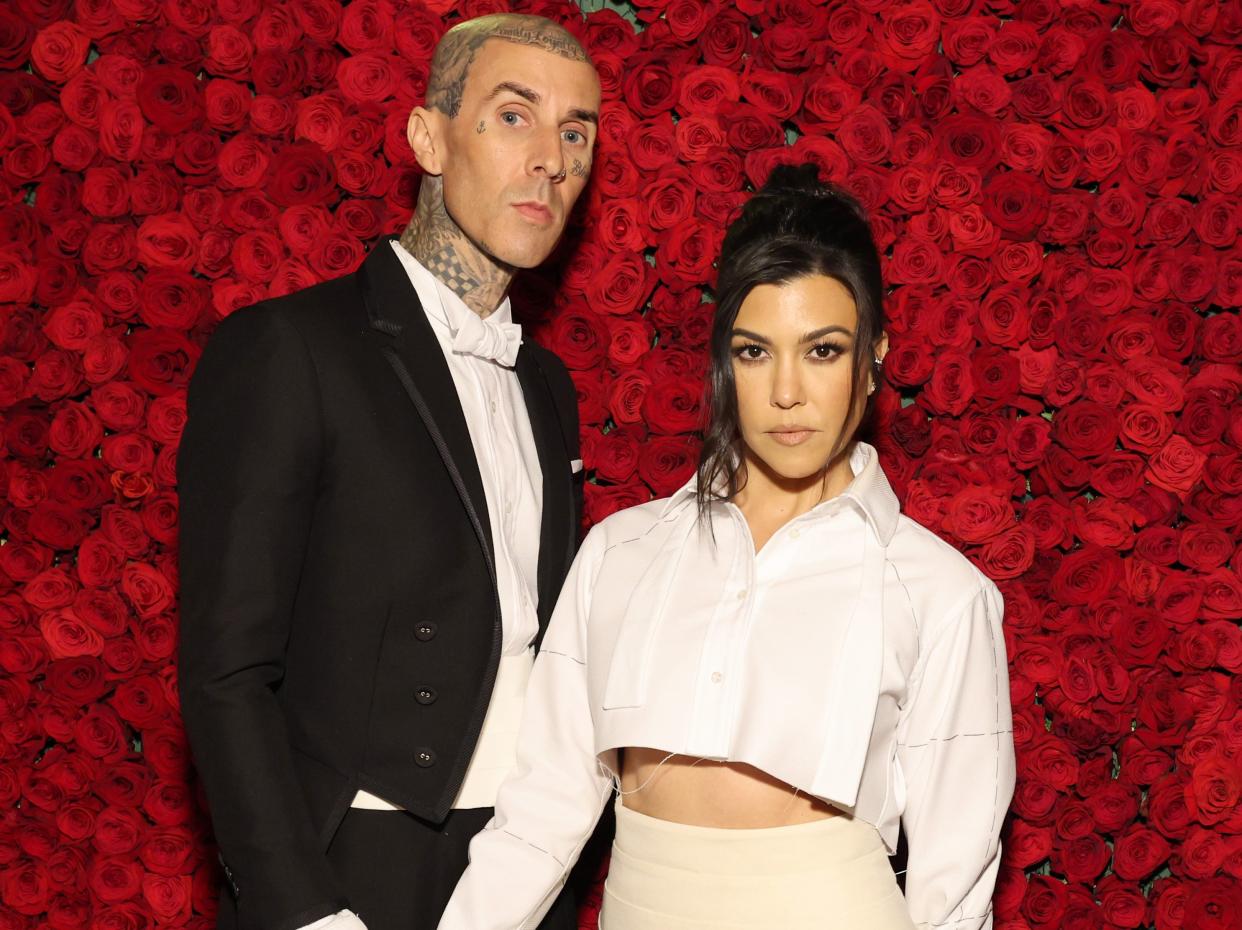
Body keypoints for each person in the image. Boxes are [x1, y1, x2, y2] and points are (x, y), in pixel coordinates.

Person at [437, 164, 1016, 930]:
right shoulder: (621, 554)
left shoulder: (940, 593)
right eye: (754, 351)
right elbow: (539, 817)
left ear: (873, 357)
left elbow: (954, 880)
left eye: (822, 351)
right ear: (722, 359)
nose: (786, 392)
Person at [177, 14, 601, 930]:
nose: (551, 160)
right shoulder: (292, 349)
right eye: (513, 116)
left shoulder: (548, 385)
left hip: (526, 861)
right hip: (351, 863)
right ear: (427, 137)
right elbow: (226, 670)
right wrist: (300, 906)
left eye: (576, 131)